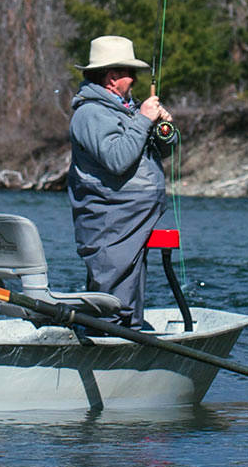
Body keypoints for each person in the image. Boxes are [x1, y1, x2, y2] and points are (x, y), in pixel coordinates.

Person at [67, 34, 176, 327]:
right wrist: (142, 120)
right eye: (131, 73)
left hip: (132, 217)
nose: (136, 80)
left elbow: (163, 150)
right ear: (112, 78)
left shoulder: (127, 109)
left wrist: (163, 127)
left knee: (130, 286)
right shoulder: (90, 114)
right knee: (114, 296)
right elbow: (117, 159)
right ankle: (111, 345)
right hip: (111, 219)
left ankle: (127, 337)